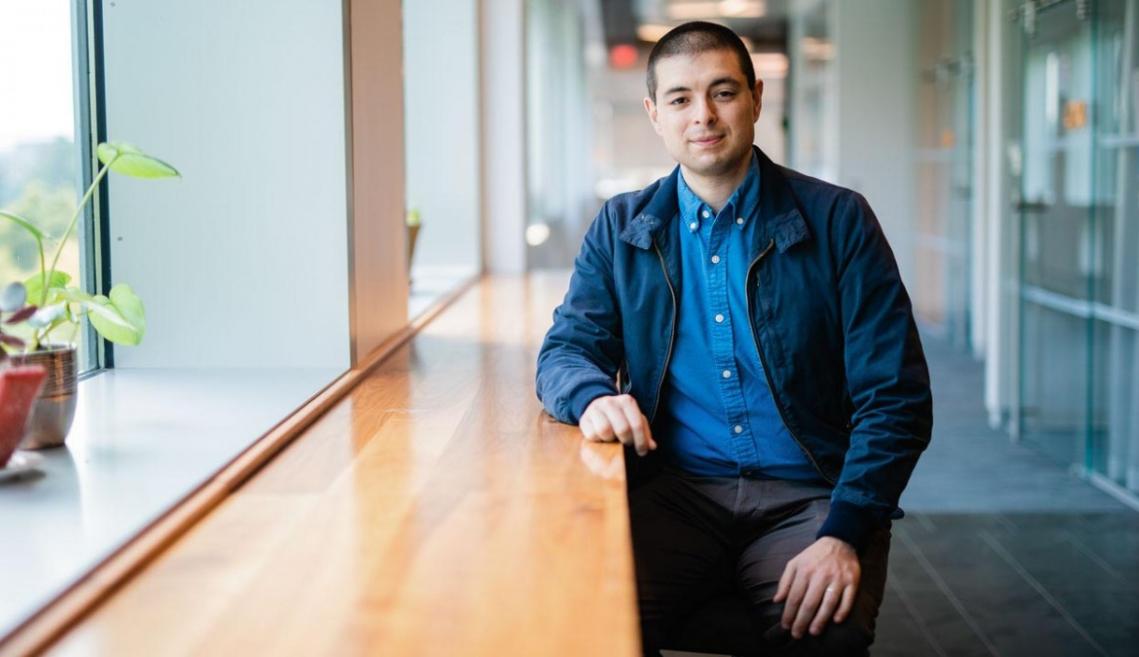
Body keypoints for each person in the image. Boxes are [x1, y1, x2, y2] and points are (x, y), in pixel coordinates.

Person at [535, 21, 932, 657]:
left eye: (722, 92)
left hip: (809, 495)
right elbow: (567, 348)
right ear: (655, 114)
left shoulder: (837, 219)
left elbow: (896, 398)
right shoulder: (621, 226)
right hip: (677, 491)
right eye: (681, 99)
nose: (704, 116)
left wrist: (844, 532)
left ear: (755, 97)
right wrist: (589, 397)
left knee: (823, 634)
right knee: (577, 616)